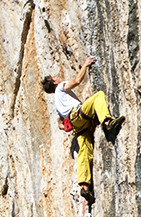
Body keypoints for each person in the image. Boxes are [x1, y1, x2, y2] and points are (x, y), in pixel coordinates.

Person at [41, 56, 124, 199]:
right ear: (54, 82)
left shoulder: (57, 103)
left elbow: (60, 125)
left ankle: (84, 186)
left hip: (76, 125)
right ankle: (107, 123)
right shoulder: (60, 87)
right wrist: (85, 64)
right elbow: (76, 81)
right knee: (98, 96)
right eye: (56, 77)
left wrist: (66, 125)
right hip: (78, 114)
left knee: (84, 151)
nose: (59, 77)